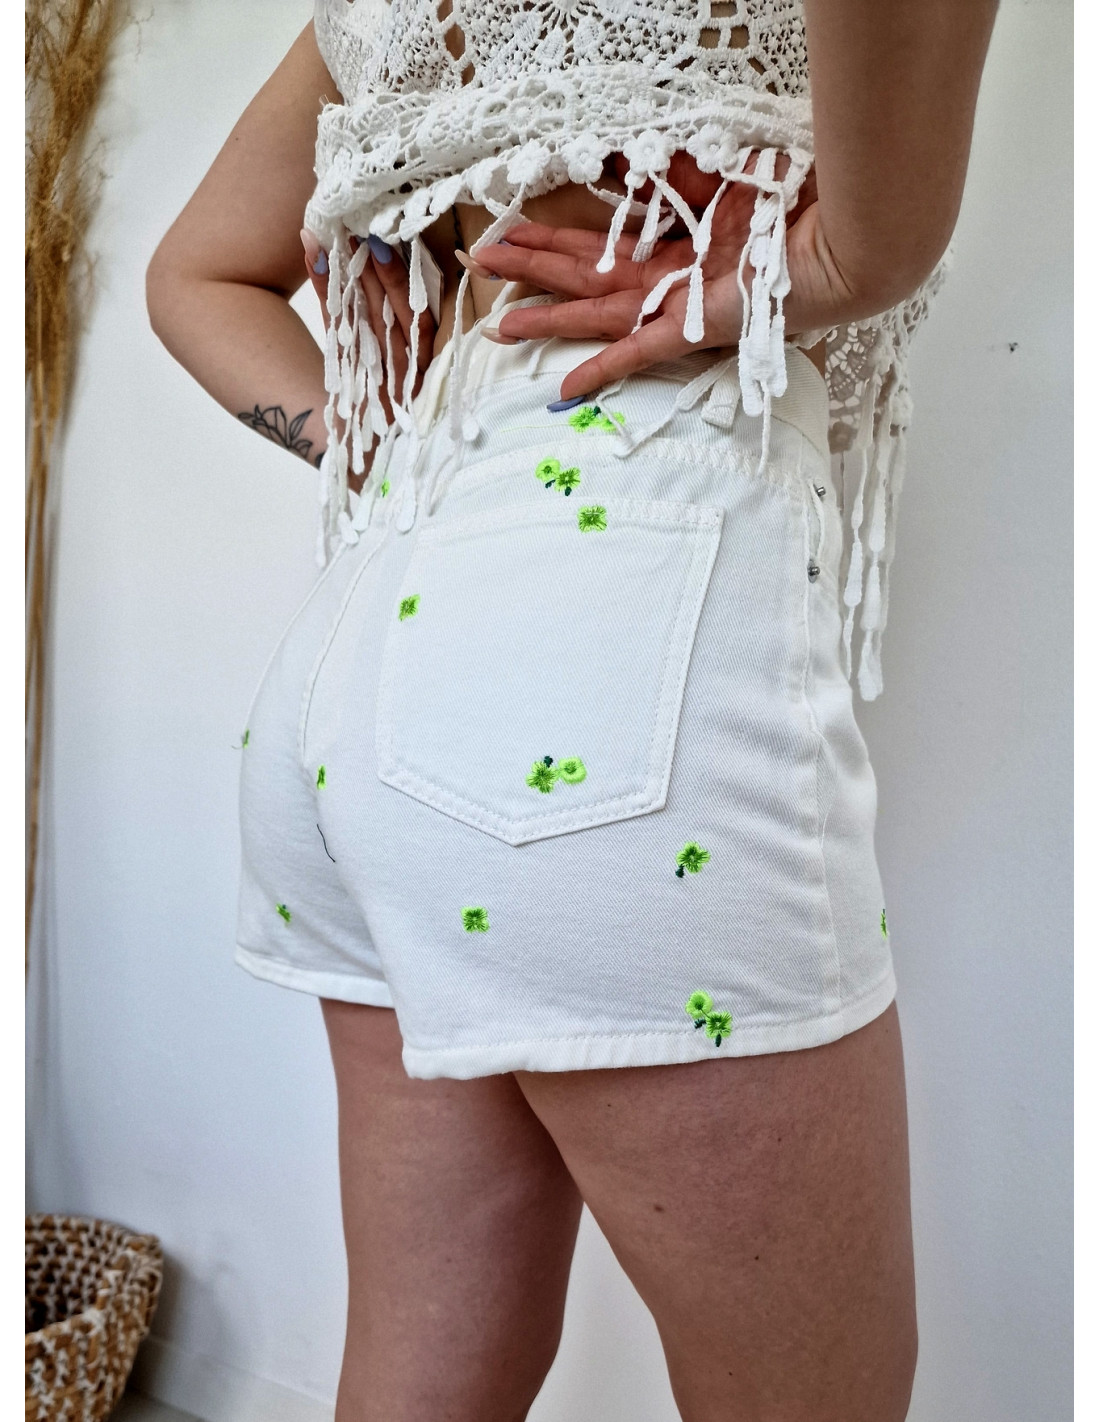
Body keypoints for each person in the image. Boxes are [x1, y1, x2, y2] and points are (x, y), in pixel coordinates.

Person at [146, 3, 997, 1418]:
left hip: (362, 642)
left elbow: (195, 275)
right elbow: (869, 220)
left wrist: (383, 450)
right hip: (608, 626)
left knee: (427, 1374)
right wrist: (841, 260)